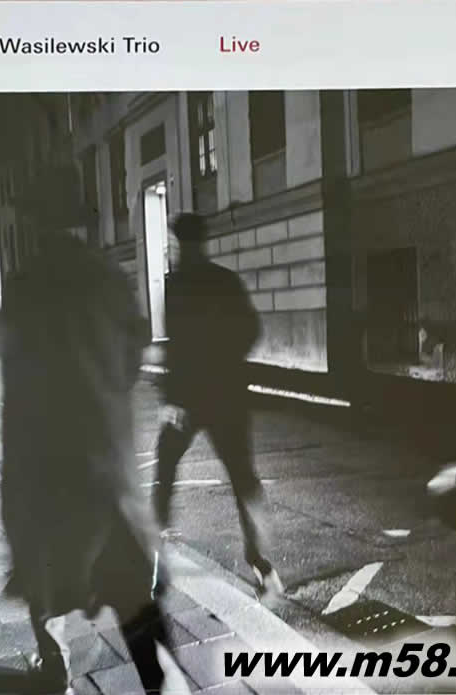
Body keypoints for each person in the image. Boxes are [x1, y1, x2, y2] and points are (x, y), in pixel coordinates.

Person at [0, 232, 180, 694]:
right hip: (104, 456)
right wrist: (107, 383)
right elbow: (135, 346)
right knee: (130, 585)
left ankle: (56, 666)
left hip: (47, 461)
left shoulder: (25, 285)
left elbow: (15, 386)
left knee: (44, 571)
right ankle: (159, 679)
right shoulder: (107, 278)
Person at [154, 213, 283, 598]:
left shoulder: (176, 285)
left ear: (183, 244)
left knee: (165, 466)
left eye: (177, 245)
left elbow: (174, 347)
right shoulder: (225, 281)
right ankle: (262, 564)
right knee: (243, 477)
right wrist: (227, 361)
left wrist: (171, 398)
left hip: (189, 400)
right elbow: (251, 329)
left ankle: (157, 557)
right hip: (227, 395)